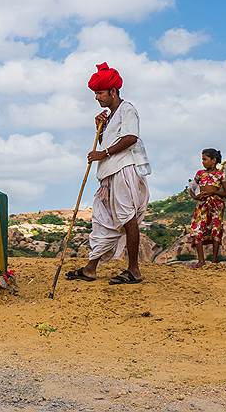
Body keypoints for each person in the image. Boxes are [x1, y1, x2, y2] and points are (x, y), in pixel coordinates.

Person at [66, 62, 150, 285]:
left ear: (113, 92)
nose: (96, 97)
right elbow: (112, 140)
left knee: (126, 218)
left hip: (123, 170)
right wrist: (100, 130)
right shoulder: (110, 116)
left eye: (100, 93)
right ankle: (91, 269)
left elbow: (131, 137)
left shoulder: (127, 109)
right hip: (108, 174)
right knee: (103, 220)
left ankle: (134, 270)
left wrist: (103, 153)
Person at [187, 148, 226, 268]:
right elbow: (192, 188)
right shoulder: (200, 173)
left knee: (216, 229)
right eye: (202, 159)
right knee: (197, 229)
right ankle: (201, 261)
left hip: (216, 205)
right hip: (202, 205)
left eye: (205, 159)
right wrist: (196, 197)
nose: (203, 162)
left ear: (214, 160)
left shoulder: (221, 174)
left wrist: (213, 193)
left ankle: (214, 261)